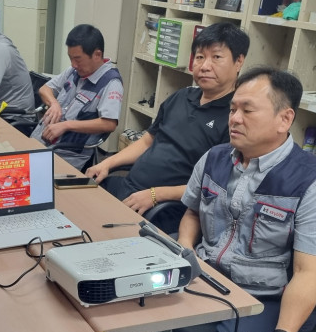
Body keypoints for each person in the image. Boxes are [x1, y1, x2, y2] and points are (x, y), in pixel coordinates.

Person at [135, 68, 316, 332]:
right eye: (233, 109)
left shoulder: (315, 184)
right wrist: (186, 247)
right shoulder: (215, 158)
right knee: (132, 294)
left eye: (247, 110)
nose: (234, 118)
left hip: (266, 297)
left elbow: (308, 273)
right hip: (207, 275)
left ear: (284, 119)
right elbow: (193, 212)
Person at [85, 22, 249, 217]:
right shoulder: (181, 97)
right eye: (199, 57)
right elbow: (147, 141)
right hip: (130, 187)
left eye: (216, 57)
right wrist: (107, 164)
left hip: (164, 207)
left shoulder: (235, 118)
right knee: (74, 201)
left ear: (239, 61)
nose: (205, 66)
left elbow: (214, 186)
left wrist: (155, 195)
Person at [30, 24, 122, 170]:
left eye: (78, 59)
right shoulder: (74, 71)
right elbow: (44, 89)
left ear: (97, 55)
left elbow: (109, 124)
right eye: (70, 58)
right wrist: (54, 103)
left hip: (65, 154)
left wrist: (66, 125)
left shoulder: (111, 83)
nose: (73, 64)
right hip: (38, 143)